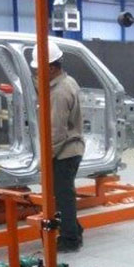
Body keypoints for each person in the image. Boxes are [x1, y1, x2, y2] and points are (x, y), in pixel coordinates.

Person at [32, 39, 85, 253]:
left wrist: (44, 159)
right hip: (70, 149)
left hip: (65, 151)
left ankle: (70, 239)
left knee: (64, 197)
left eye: (39, 69)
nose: (37, 73)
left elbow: (56, 131)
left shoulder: (60, 93)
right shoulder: (67, 82)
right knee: (64, 194)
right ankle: (75, 229)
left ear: (52, 68)